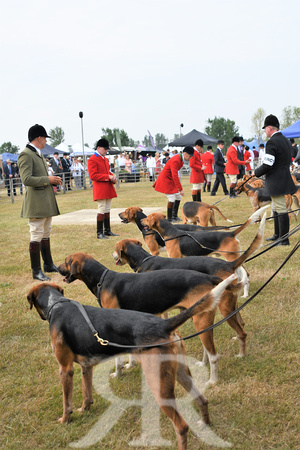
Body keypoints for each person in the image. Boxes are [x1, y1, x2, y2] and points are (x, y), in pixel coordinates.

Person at [18, 124, 62, 281]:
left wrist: (52, 181)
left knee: (46, 232)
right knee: (36, 234)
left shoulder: (37, 153)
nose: (45, 141)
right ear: (38, 138)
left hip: (45, 201)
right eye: (44, 138)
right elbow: (26, 179)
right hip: (36, 203)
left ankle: (48, 264)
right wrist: (48, 179)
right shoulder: (26, 154)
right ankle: (36, 271)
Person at [254, 114, 296, 245]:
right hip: (284, 177)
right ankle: (277, 235)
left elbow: (268, 164)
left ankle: (284, 239)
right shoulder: (285, 140)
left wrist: (256, 172)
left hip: (276, 180)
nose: (265, 131)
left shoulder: (272, 142)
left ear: (269, 128)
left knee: (280, 208)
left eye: (265, 128)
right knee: (276, 207)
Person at [87, 138, 119, 239]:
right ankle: (99, 232)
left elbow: (107, 171)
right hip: (100, 188)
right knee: (101, 208)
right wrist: (107, 177)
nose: (106, 151)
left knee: (107, 209)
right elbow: (93, 176)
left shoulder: (105, 159)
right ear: (98, 148)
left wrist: (112, 177)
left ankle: (107, 230)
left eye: (106, 149)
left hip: (107, 187)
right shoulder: (92, 159)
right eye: (104, 149)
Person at [153, 146, 195, 222]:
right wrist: (180, 189)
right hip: (165, 180)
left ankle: (174, 216)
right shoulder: (176, 160)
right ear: (185, 154)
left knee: (178, 196)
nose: (190, 158)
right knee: (172, 198)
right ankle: (169, 218)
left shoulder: (181, 159)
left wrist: (179, 190)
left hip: (170, 179)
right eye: (190, 156)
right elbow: (175, 176)